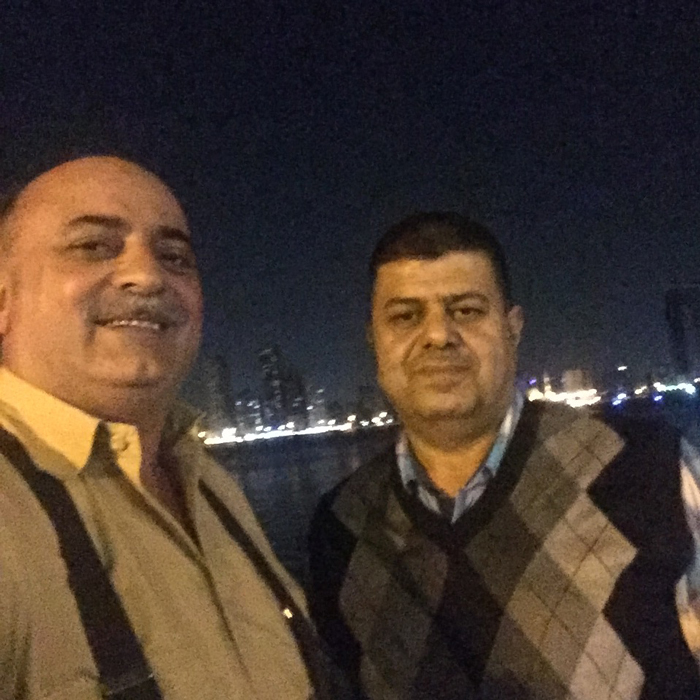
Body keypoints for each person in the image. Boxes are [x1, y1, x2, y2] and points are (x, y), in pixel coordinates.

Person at [308, 211, 700, 699]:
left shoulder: (651, 468)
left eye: (466, 311)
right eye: (405, 316)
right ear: (375, 341)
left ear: (513, 328)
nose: (438, 335)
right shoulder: (340, 528)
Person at [0, 156, 333, 700]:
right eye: (93, 246)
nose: (149, 275)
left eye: (174, 257)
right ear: (3, 298)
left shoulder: (211, 485)